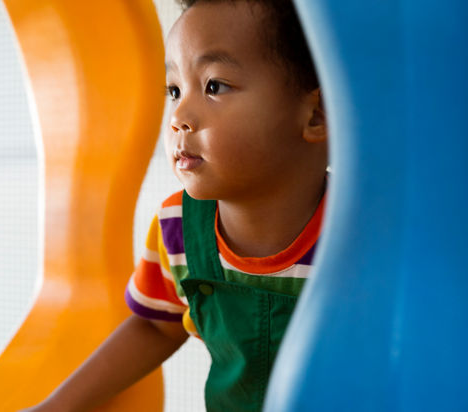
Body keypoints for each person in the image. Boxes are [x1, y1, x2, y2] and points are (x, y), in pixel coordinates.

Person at [24, 0, 327, 410]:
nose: (179, 115)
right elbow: (153, 325)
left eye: (214, 86)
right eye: (174, 90)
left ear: (315, 115)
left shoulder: (366, 230)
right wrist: (55, 405)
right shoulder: (178, 228)